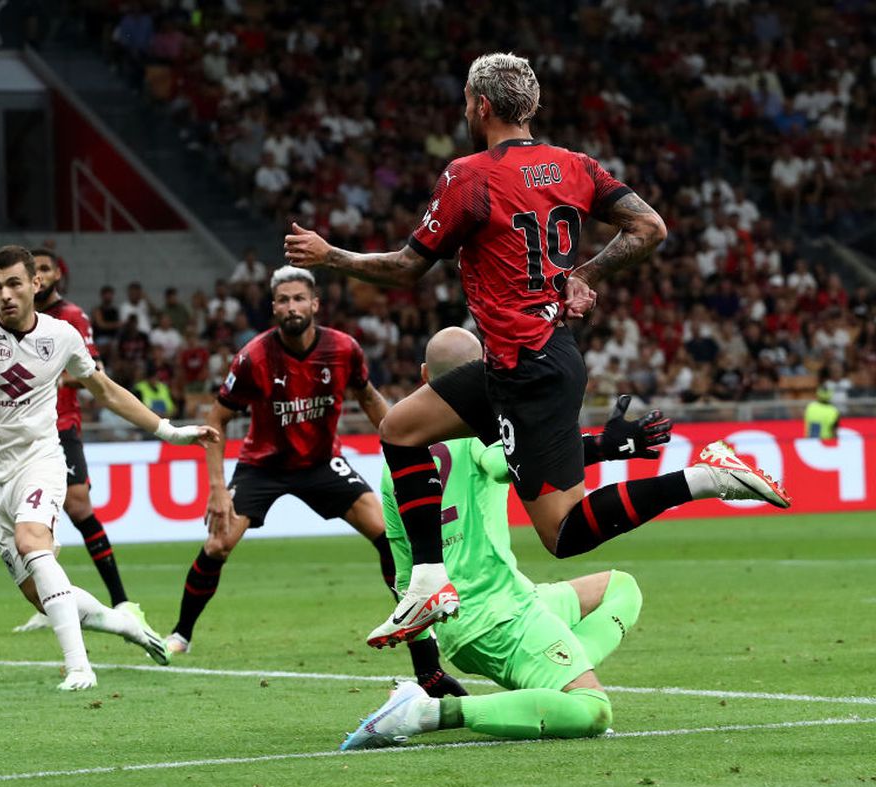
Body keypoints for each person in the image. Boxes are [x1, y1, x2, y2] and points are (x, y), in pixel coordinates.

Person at [284, 52, 791, 648]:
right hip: (522, 360)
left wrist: (330, 256)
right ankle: (426, 582)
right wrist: (585, 274)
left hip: (531, 368)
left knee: (564, 534)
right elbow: (649, 227)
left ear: (481, 106)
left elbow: (404, 270)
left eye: (467, 104)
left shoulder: (469, 176)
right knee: (399, 428)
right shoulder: (575, 166)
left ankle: (705, 478)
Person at [0, 246, 220, 691]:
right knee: (41, 596)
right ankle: (124, 625)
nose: (4, 294)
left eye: (14, 284)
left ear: (35, 284)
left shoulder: (62, 336)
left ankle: (79, 666)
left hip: (40, 461)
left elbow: (106, 391)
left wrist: (170, 431)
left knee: (32, 541)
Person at [167, 266, 465, 698]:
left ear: (315, 304)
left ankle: (427, 665)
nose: (292, 307)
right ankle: (181, 634)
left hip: (324, 463)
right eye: (284, 300)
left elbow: (371, 400)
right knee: (217, 545)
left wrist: (411, 443)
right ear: (274, 308)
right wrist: (216, 488)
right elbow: (216, 419)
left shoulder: (343, 349)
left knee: (388, 537)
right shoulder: (253, 357)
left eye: (299, 299)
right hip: (262, 466)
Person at [342, 328, 645, 749]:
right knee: (591, 711)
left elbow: (403, 574)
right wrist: (603, 447)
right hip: (497, 620)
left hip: (472, 613)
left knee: (620, 589)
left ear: (427, 374)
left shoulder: (397, 463)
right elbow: (503, 462)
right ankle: (429, 713)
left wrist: (427, 663)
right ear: (484, 373)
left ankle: (547, 675)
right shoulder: (481, 432)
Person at [12, 247, 134, 634]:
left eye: (47, 269)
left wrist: (48, 376)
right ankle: (51, 599)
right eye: (36, 269)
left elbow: (93, 372)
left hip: (61, 424)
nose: (41, 275)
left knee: (78, 506)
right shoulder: (15, 318)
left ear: (55, 276)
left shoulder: (71, 317)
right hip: (21, 430)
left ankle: (122, 601)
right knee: (33, 520)